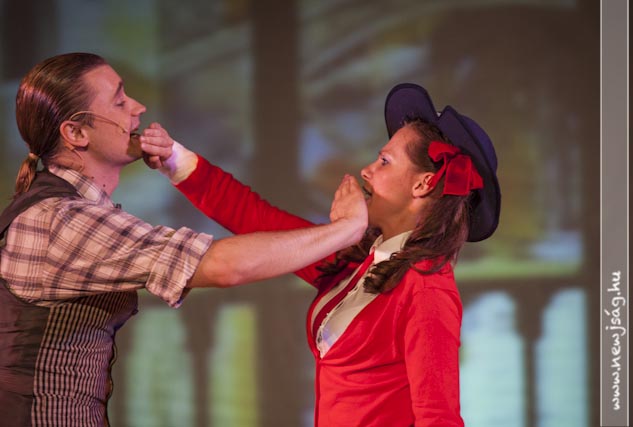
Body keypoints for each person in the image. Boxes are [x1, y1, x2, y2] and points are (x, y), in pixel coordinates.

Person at [0, 52, 367, 427]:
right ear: (76, 133)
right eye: (120, 101)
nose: (138, 108)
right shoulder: (63, 220)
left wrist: (175, 159)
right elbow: (224, 265)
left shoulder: (61, 211)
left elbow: (251, 215)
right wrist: (346, 229)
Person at [147, 83, 501, 426]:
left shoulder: (427, 290)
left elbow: (438, 418)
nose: (366, 170)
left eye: (384, 161)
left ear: (423, 184)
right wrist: (172, 158)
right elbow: (254, 216)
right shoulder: (356, 260)